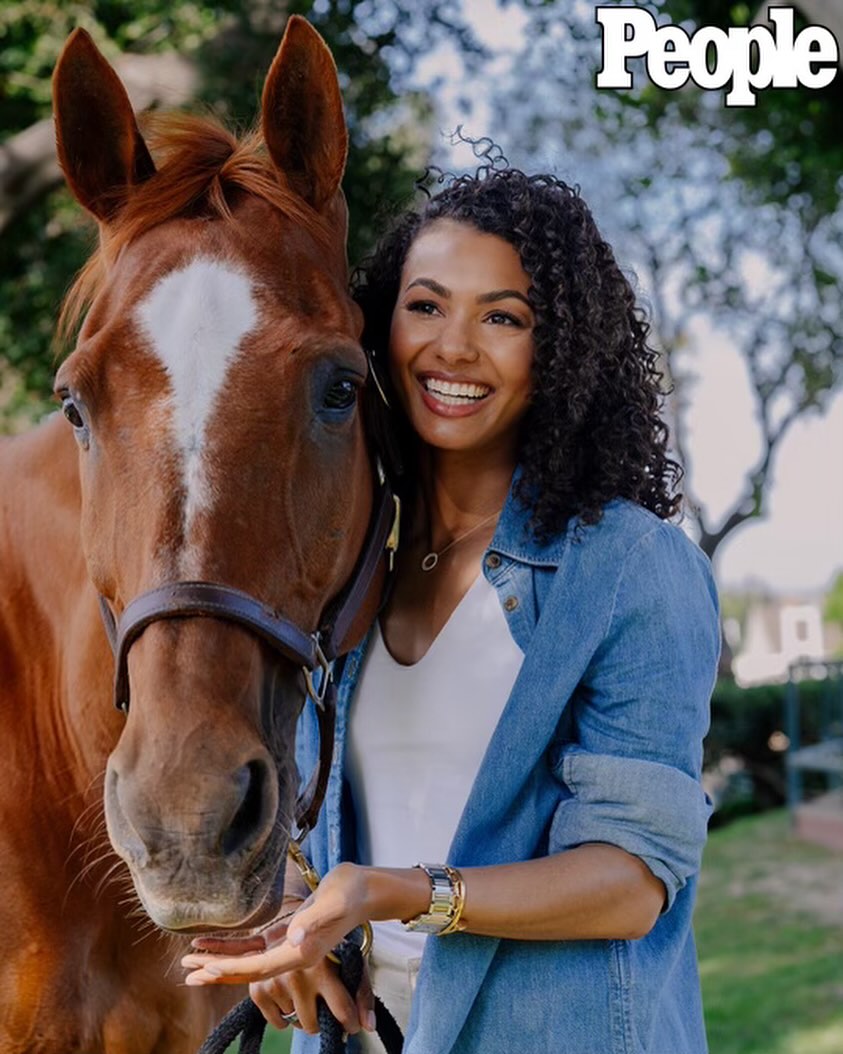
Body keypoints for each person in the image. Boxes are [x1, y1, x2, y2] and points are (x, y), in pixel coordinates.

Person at [182, 160, 720, 1054]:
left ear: (559, 350)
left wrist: (402, 892)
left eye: (502, 317)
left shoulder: (630, 568)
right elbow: (299, 799)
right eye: (425, 305)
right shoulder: (350, 561)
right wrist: (289, 906)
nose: (453, 348)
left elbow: (633, 880)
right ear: (381, 323)